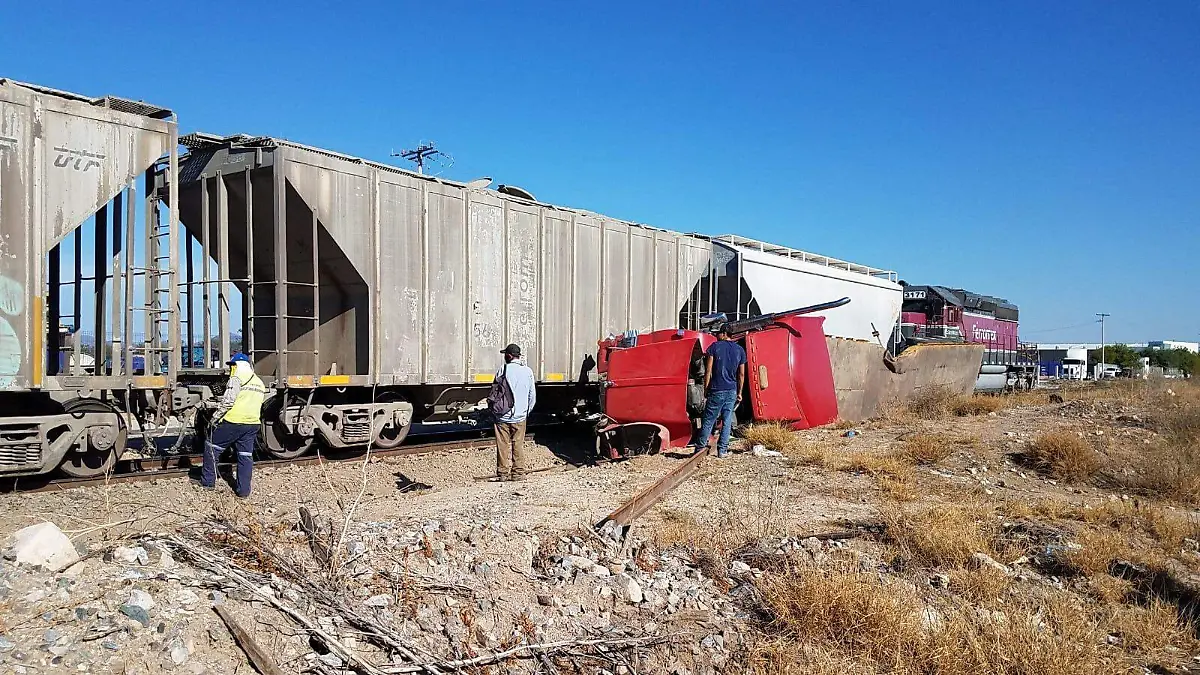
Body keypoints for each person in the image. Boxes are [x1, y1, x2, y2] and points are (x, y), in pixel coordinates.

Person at [200, 353, 267, 497]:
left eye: (232, 366)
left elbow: (228, 401)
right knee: (245, 456)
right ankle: (243, 491)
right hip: (252, 424)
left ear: (237, 366)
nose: (231, 369)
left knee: (211, 447)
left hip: (233, 421)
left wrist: (215, 417)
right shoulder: (259, 382)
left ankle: (208, 483)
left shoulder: (237, 378)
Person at [695, 326, 746, 458]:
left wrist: (706, 389)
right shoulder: (740, 350)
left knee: (709, 419)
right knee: (727, 420)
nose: (717, 335)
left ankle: (700, 448)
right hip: (731, 390)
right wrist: (739, 392)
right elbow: (741, 374)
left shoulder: (715, 347)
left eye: (718, 333)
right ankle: (722, 451)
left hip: (717, 389)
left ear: (724, 334)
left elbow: (708, 370)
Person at [494, 343, 536, 480]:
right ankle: (518, 473)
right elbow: (532, 396)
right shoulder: (528, 371)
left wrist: (495, 411)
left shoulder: (502, 370)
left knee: (502, 446)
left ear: (509, 356)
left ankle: (503, 474)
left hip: (502, 416)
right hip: (520, 416)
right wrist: (525, 412)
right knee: (518, 444)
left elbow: (495, 393)